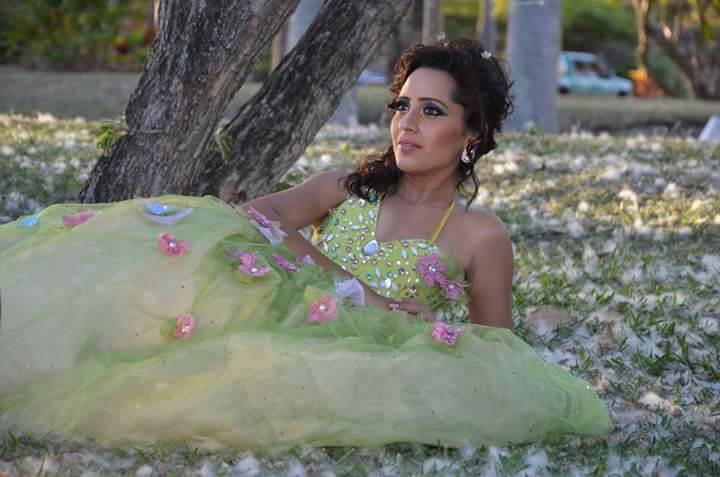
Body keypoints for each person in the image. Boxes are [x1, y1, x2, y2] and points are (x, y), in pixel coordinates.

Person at [0, 39, 610, 449]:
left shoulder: (481, 234)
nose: (406, 123)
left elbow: (497, 353)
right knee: (181, 248)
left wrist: (422, 328)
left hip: (343, 357)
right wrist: (358, 291)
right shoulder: (343, 189)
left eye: (430, 111)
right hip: (267, 308)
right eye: (401, 106)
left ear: (471, 133)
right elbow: (257, 216)